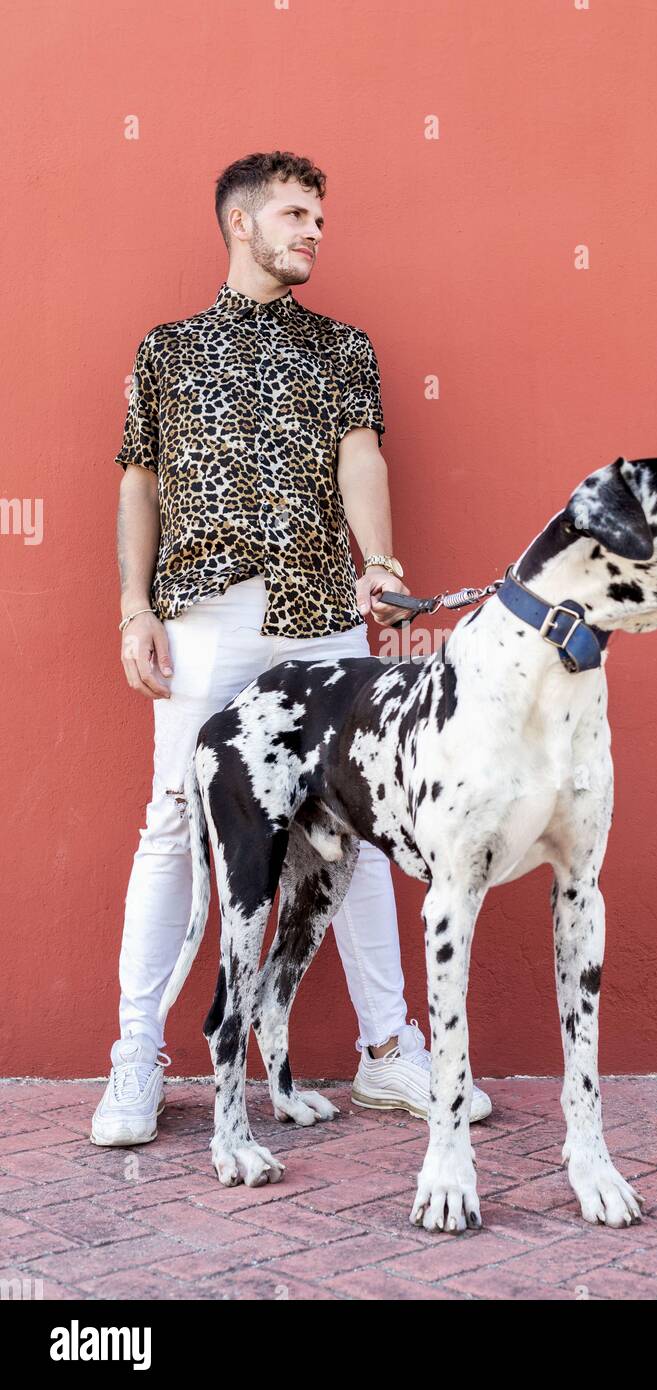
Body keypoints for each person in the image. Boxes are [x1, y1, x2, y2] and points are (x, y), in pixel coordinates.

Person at [92, 150, 491, 1147]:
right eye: (296, 214)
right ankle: (137, 1056)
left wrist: (379, 559)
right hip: (203, 618)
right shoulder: (167, 350)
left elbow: (362, 453)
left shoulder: (342, 346)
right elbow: (137, 480)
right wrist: (132, 608)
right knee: (175, 821)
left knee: (350, 831)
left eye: (320, 217)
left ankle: (388, 1053)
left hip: (322, 617)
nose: (314, 231)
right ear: (241, 224)